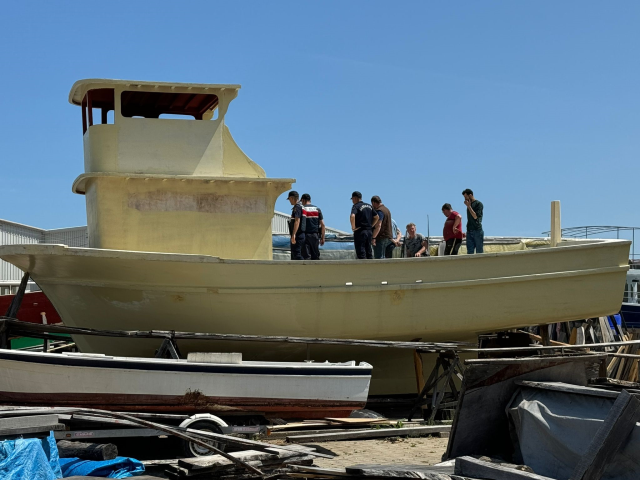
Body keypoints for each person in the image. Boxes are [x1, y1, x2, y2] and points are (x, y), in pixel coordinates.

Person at [350, 191, 378, 259]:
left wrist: (353, 227)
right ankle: (370, 267)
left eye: (352, 199)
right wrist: (371, 225)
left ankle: (362, 268)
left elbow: (352, 216)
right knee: (369, 251)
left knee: (361, 251)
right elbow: (377, 217)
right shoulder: (369, 206)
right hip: (369, 231)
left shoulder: (356, 206)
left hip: (360, 231)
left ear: (355, 198)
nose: (352, 201)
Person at [300, 193, 325, 260]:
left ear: (303, 200)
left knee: (306, 256)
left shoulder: (302, 209)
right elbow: (323, 225)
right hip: (315, 235)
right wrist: (323, 237)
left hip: (305, 235)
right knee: (315, 256)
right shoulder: (317, 209)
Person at [462, 188, 484, 254]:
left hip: (477, 230)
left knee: (479, 251)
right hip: (469, 230)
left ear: (470, 195)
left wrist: (469, 206)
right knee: (469, 252)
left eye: (466, 197)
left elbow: (475, 216)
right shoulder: (469, 205)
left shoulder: (478, 204)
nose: (465, 199)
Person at [287, 190, 305, 260]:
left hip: (298, 234)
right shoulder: (302, 206)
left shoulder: (297, 207)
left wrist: (294, 234)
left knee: (296, 255)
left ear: (292, 198)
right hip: (302, 234)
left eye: (289, 199)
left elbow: (297, 221)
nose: (289, 201)